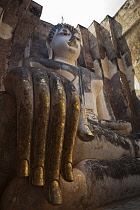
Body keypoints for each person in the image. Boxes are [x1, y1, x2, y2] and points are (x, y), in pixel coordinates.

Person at [0, 23, 139, 209]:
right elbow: (27, 99)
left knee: (128, 144)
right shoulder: (35, 64)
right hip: (54, 124)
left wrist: (116, 126)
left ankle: (91, 177)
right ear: (50, 43)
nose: (73, 39)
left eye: (78, 38)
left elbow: (101, 120)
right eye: (65, 34)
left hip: (95, 134)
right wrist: (22, 78)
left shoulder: (94, 80)